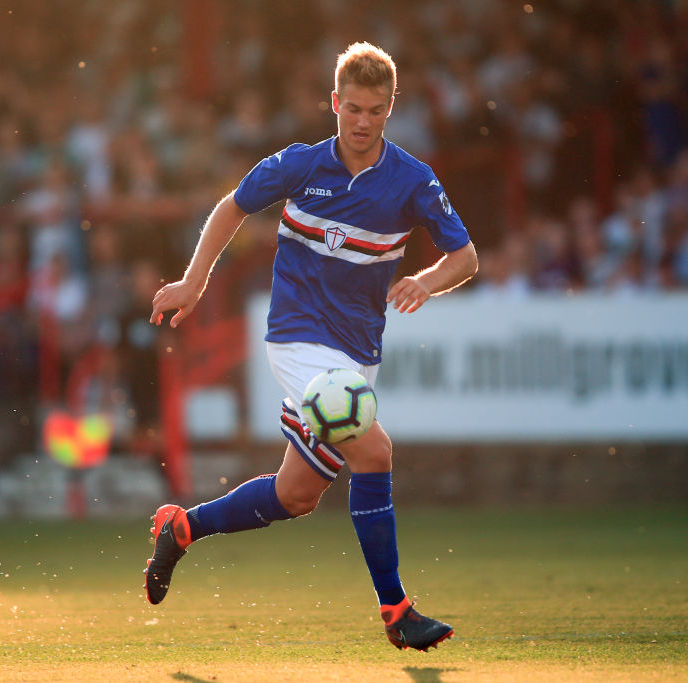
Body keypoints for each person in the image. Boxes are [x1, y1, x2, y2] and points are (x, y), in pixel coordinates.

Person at [146, 42, 478, 652]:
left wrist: (426, 283)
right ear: (334, 103)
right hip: (297, 340)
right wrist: (195, 280)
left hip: (357, 354)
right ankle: (397, 611)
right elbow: (231, 207)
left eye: (375, 111)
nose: (362, 121)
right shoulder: (300, 164)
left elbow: (466, 256)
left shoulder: (411, 180)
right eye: (352, 108)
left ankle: (183, 528)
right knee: (374, 452)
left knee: (294, 495)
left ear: (389, 109)